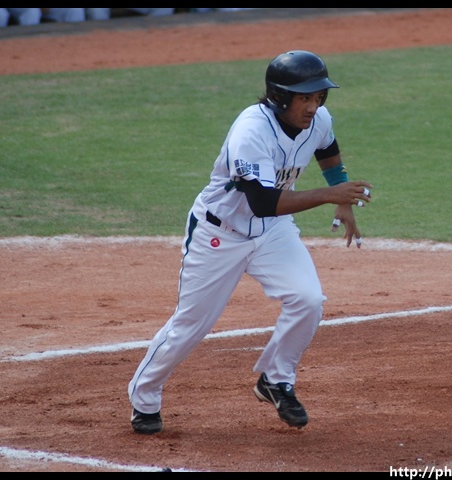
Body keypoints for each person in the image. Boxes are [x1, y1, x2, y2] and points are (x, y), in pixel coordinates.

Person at [128, 50, 373, 434]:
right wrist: (331, 195)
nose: (313, 107)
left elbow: (327, 148)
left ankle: (276, 379)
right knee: (190, 326)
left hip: (272, 231)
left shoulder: (318, 120)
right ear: (279, 96)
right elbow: (262, 202)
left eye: (318, 97)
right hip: (219, 233)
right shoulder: (251, 131)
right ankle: (144, 398)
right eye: (304, 98)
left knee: (308, 300)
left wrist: (342, 198)